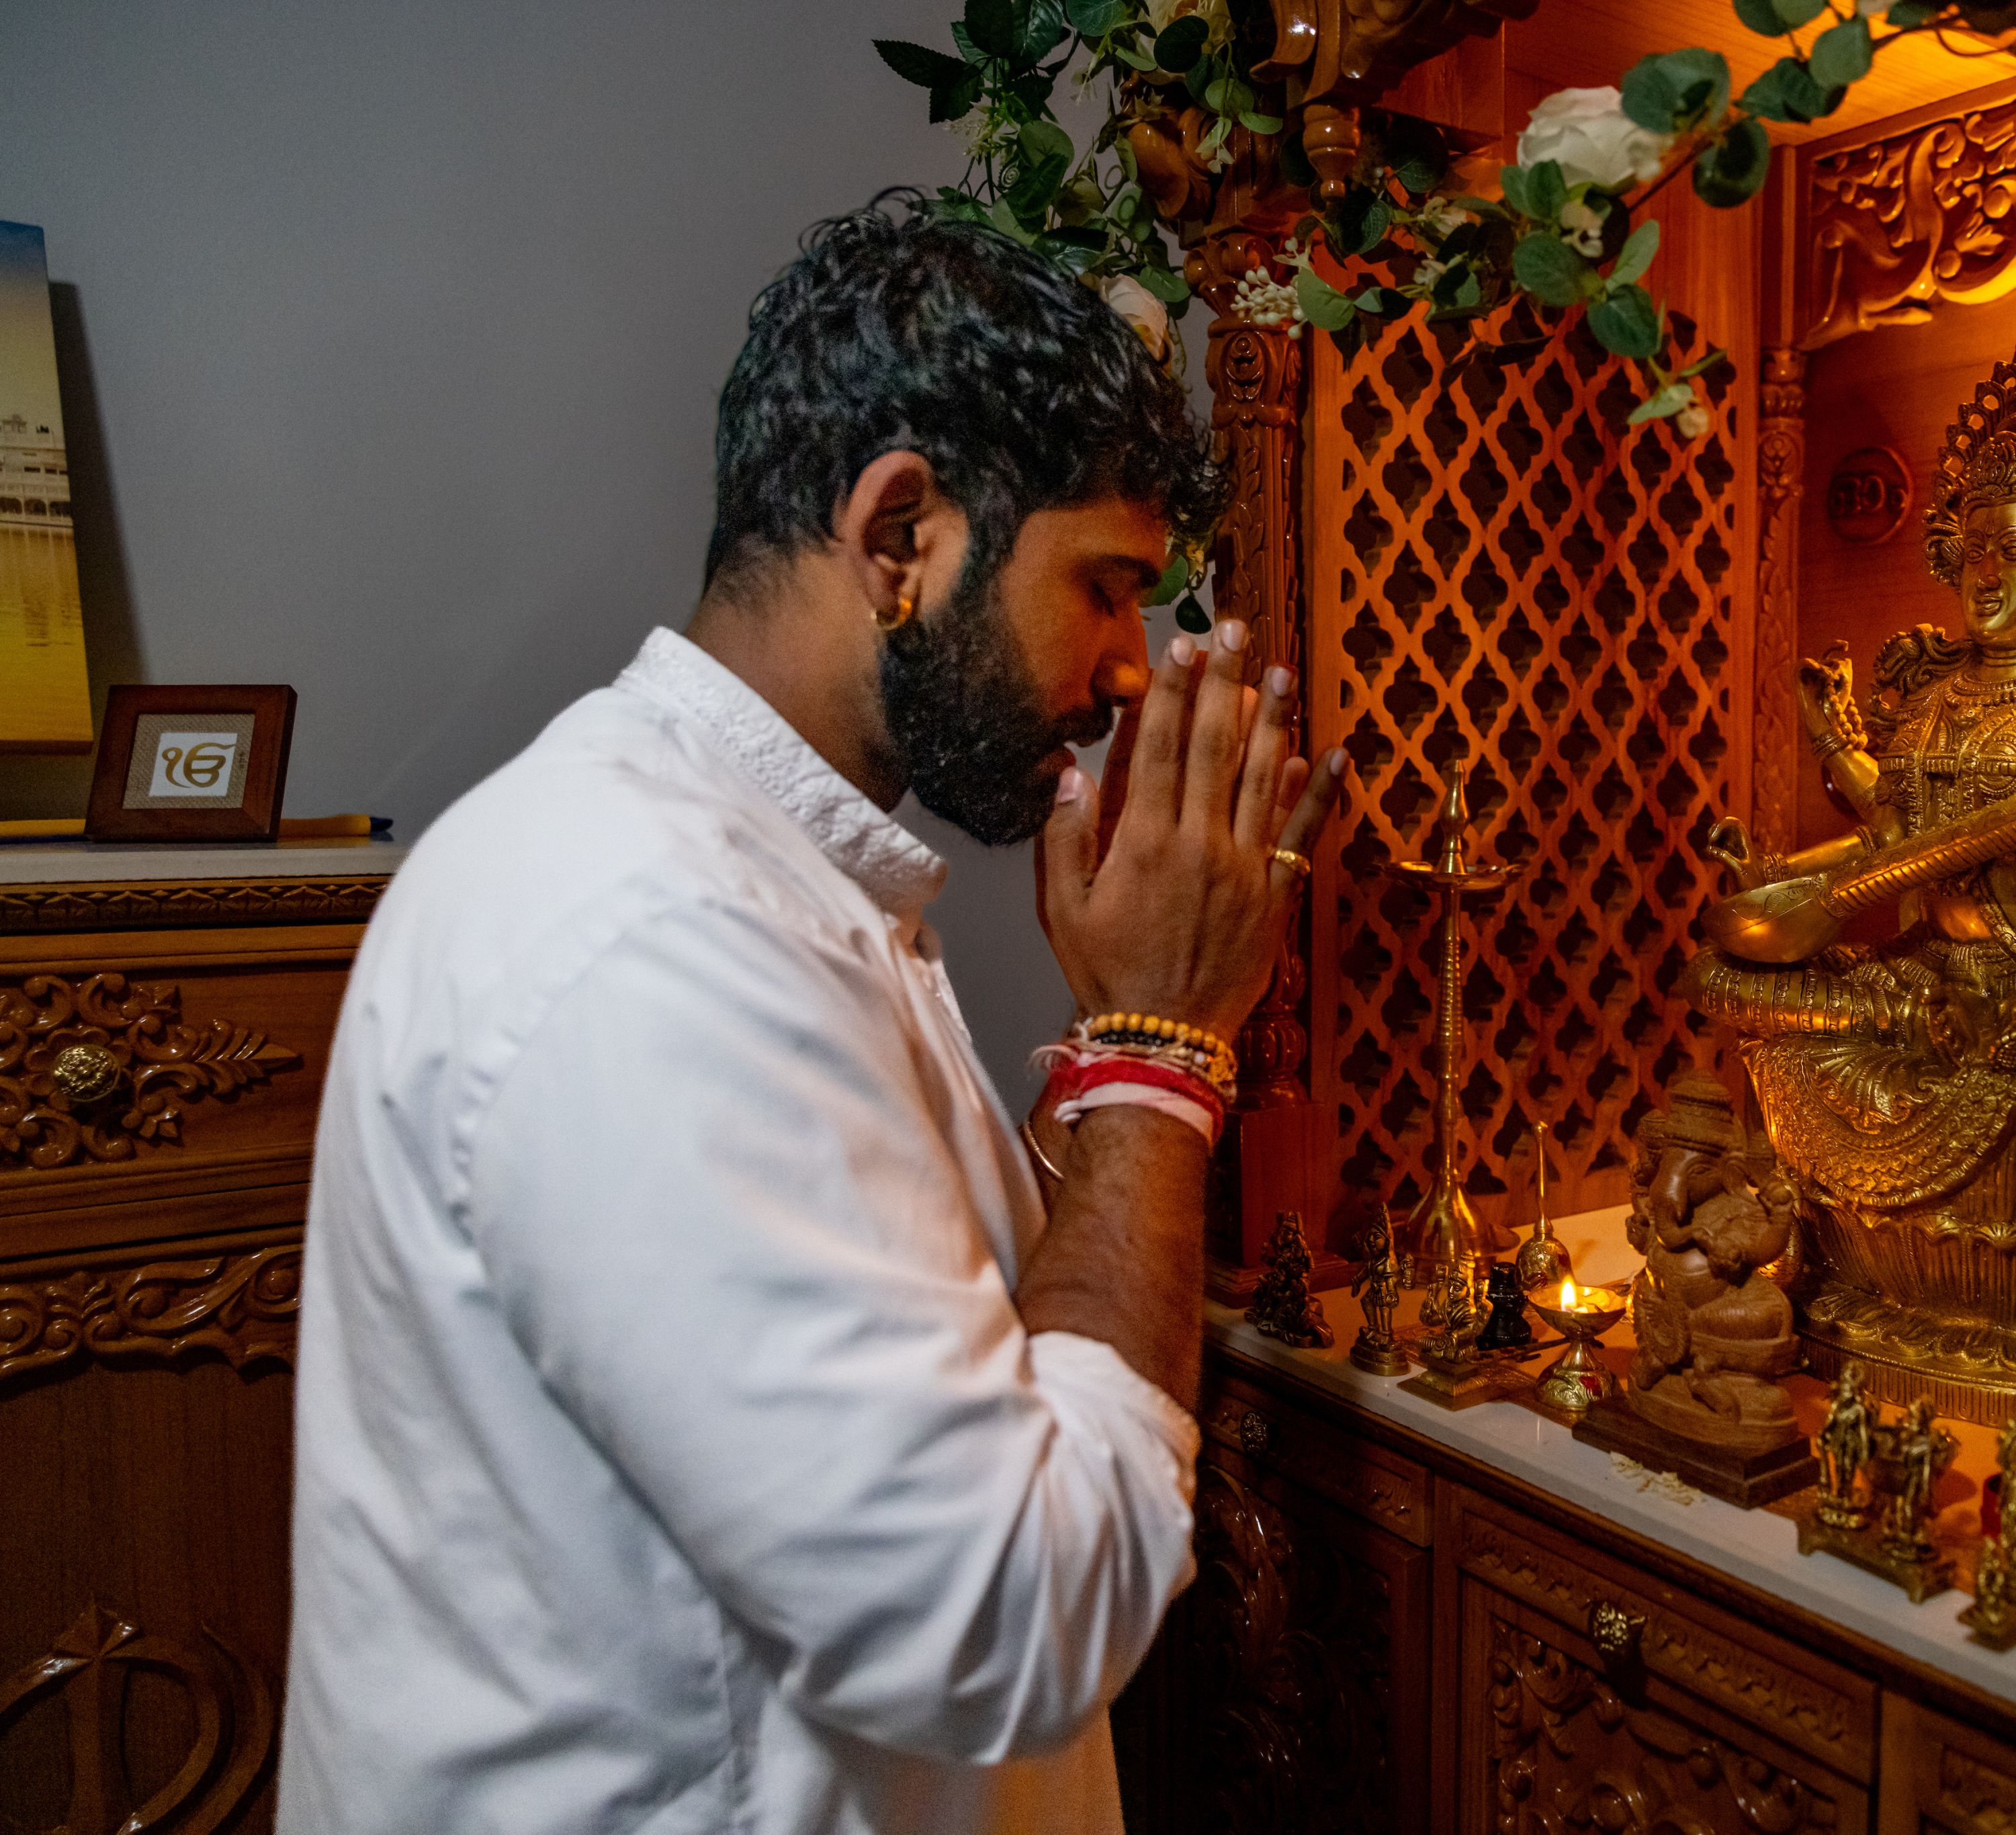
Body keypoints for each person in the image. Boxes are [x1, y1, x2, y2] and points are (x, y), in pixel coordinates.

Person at [277, 192, 1348, 1834]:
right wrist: (1158, 1049)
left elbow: (976, 1366)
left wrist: (1114, 1041)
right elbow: (999, 1619)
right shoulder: (645, 928)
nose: (1130, 665)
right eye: (1105, 585)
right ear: (901, 530)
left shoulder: (778, 880)